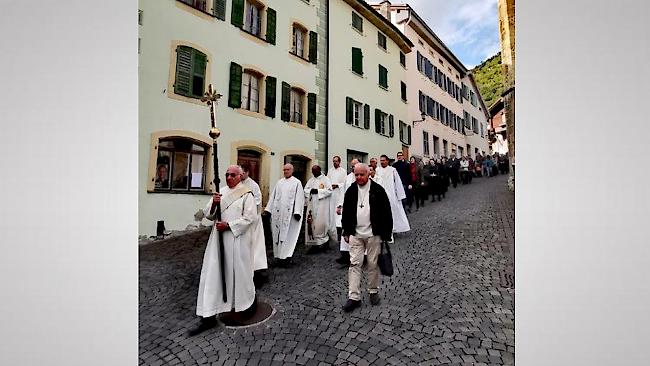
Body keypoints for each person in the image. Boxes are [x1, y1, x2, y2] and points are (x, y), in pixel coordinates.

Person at [188, 165, 261, 336]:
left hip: (237, 241)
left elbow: (250, 217)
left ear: (239, 176)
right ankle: (209, 314)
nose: (229, 177)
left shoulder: (246, 194)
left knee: (239, 275)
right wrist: (213, 204)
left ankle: (245, 304)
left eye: (232, 175)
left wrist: (229, 225)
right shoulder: (220, 192)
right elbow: (209, 215)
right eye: (227, 175)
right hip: (218, 243)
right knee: (214, 275)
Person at [341, 163, 393, 313]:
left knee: (372, 264)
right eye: (356, 175)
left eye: (361, 175)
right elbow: (346, 212)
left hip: (373, 234)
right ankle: (354, 297)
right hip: (355, 234)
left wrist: (386, 234)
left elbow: (386, 212)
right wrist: (346, 231)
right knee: (354, 264)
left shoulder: (378, 190)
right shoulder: (351, 190)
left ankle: (373, 291)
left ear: (368, 174)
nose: (358, 177)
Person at [263, 164, 305, 268]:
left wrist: (297, 212)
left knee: (288, 237)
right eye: (284, 170)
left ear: (292, 170)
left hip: (289, 216)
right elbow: (273, 196)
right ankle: (278, 256)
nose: (285, 171)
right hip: (278, 214)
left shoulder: (297, 183)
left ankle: (286, 257)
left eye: (287, 170)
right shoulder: (279, 182)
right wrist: (268, 209)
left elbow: (299, 198)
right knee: (277, 236)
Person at [240, 162, 268, 288]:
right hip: (241, 221)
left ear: (247, 172)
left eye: (242, 173)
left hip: (253, 222)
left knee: (255, 248)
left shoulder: (254, 186)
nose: (240, 176)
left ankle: (257, 273)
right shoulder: (238, 184)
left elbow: (257, 201)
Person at [375, 155, 410, 235]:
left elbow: (397, 182)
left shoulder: (392, 170)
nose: (382, 162)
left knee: (393, 212)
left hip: (391, 193)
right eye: (381, 160)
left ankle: (394, 228)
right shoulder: (377, 170)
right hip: (380, 194)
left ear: (387, 161)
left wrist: (400, 195)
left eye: (384, 160)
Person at [303, 165, 334, 253]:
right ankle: (314, 245)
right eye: (312, 171)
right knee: (312, 224)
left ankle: (325, 243)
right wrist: (310, 191)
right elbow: (306, 189)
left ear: (319, 170)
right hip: (312, 206)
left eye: (315, 171)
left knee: (321, 225)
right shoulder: (311, 180)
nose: (313, 173)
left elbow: (329, 191)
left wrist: (318, 191)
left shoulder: (326, 179)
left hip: (322, 206)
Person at [335, 158, 359, 266]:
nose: (353, 167)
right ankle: (345, 256)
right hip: (348, 208)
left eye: (355, 165)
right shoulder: (348, 178)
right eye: (352, 166)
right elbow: (343, 192)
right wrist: (340, 205)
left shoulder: (363, 176)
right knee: (345, 232)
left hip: (359, 208)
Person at [327, 156, 347, 243]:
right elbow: (327, 180)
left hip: (339, 194)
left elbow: (344, 183)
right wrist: (330, 186)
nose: (334, 163)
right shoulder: (330, 171)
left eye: (336, 161)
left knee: (338, 213)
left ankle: (339, 234)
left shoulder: (343, 171)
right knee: (331, 213)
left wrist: (337, 185)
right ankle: (331, 233)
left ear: (339, 162)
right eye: (333, 161)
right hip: (331, 194)